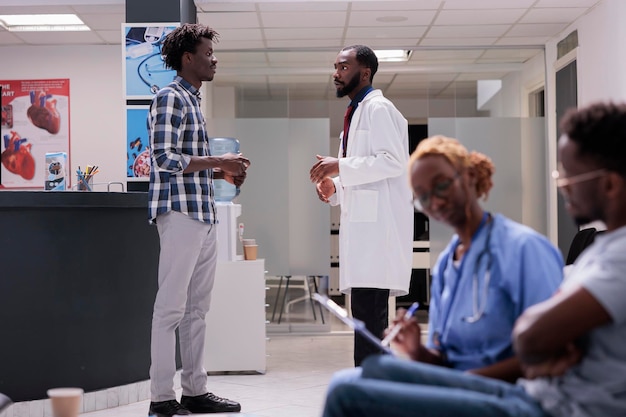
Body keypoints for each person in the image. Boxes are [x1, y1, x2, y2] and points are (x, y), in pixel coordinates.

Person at [322, 102, 626, 417]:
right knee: (366, 375)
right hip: (490, 384)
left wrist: (456, 383)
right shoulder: (447, 264)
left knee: (347, 392)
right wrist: (416, 350)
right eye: (422, 196)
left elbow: (537, 343)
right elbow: (446, 354)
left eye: (442, 185)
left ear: (468, 177)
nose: (435, 201)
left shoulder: (523, 248)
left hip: (532, 397)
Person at [147, 23, 250, 417]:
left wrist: (220, 172)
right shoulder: (170, 98)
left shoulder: (192, 101)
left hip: (202, 215)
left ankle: (195, 390)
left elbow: (187, 162)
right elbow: (164, 159)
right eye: (207, 53)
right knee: (170, 309)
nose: (213, 58)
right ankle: (160, 399)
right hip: (179, 215)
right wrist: (219, 161)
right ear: (187, 58)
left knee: (196, 310)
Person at [309, 45, 413, 367]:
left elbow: (393, 162)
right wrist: (335, 187)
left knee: (371, 321)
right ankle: (369, 387)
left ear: (364, 72)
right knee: (365, 319)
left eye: (343, 67)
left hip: (377, 237)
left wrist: (339, 166)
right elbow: (362, 171)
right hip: (363, 235)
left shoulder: (379, 109)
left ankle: (373, 391)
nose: (336, 74)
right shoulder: (355, 113)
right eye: (335, 68)